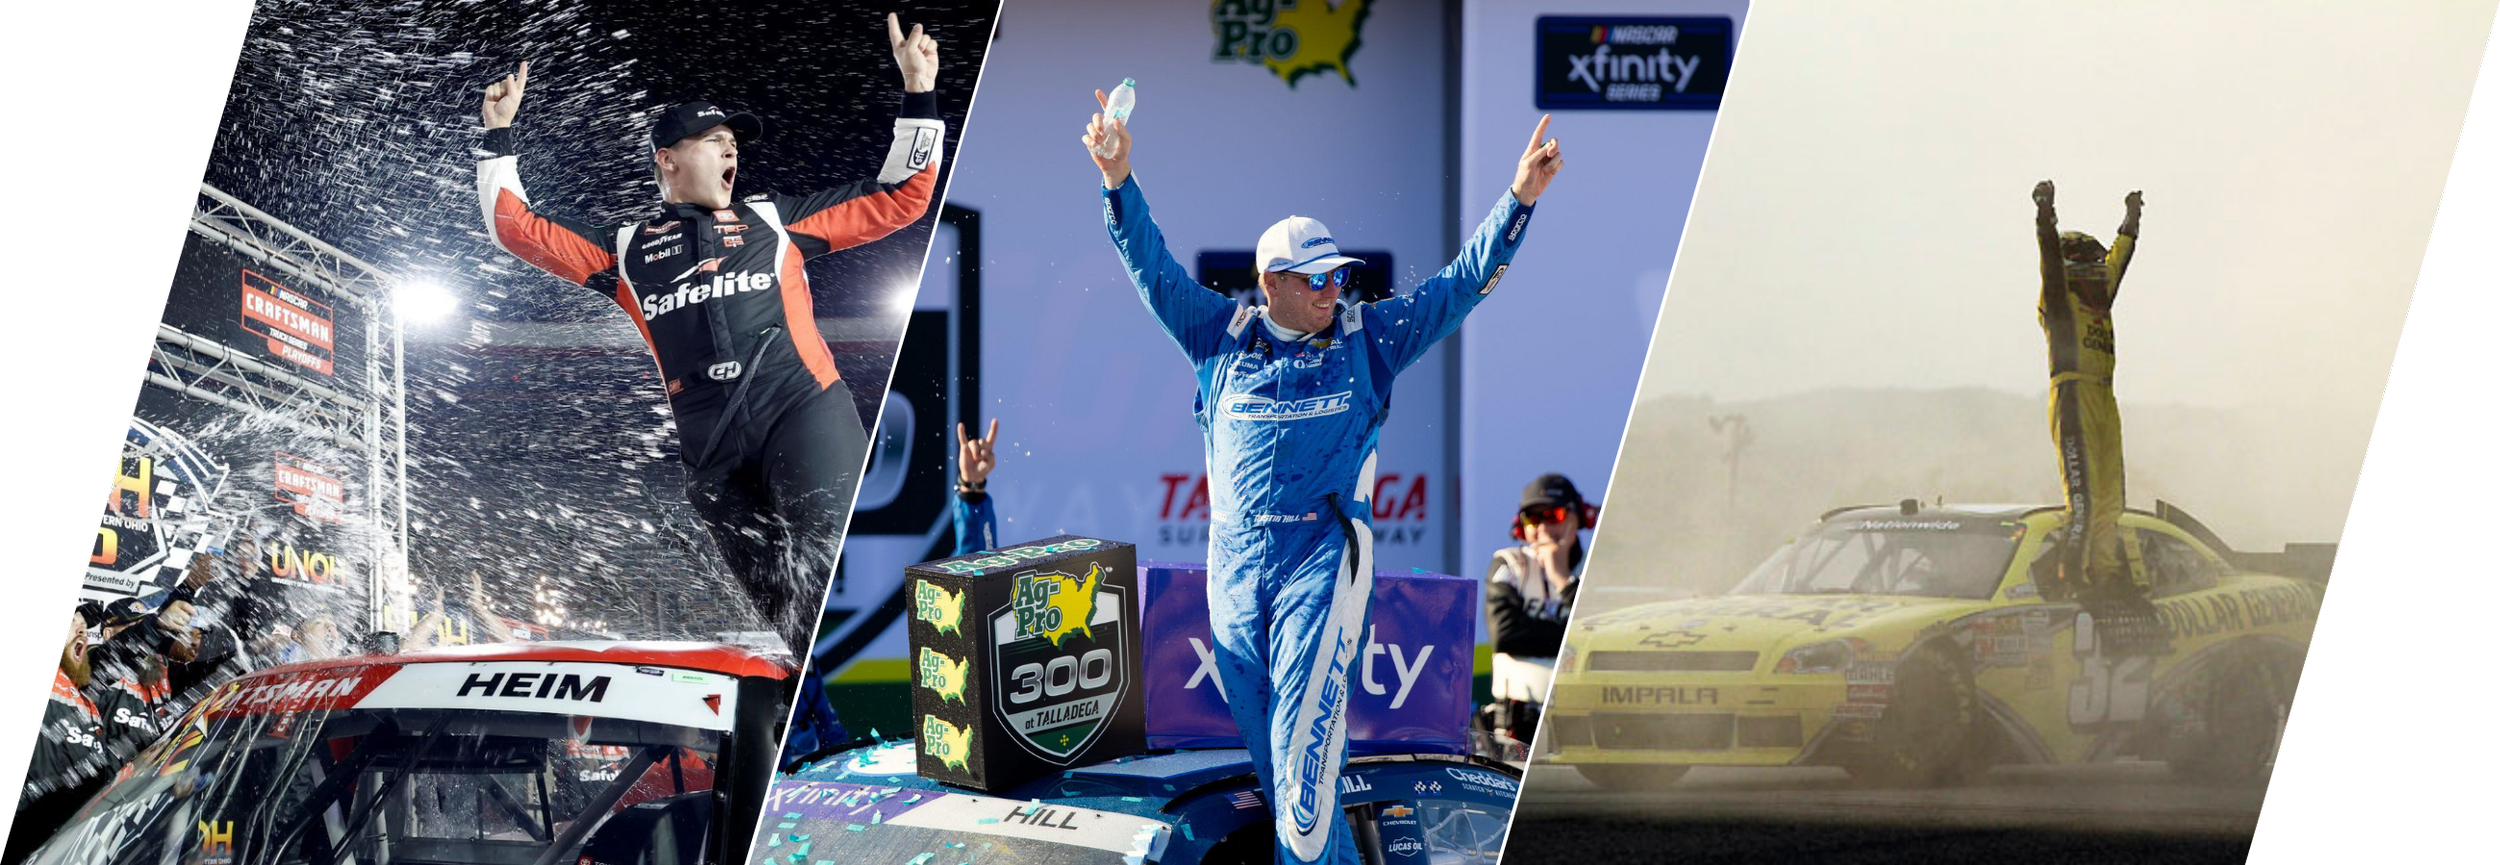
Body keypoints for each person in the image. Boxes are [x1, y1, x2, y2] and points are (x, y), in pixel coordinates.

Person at [1084, 98, 1563, 865]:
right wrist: (1118, 179)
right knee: (1286, 785)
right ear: (1269, 282)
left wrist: (1519, 202)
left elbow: (1459, 286)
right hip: (1232, 569)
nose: (1332, 289)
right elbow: (1151, 267)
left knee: (1301, 790)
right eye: (1315, 279)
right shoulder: (1218, 334)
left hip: (1322, 560)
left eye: (1339, 275)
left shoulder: (1370, 339)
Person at [476, 13, 947, 656]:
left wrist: (918, 91)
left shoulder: (773, 222)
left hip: (802, 412)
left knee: (837, 573)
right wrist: (498, 136)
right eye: (713, 141)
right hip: (711, 453)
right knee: (788, 617)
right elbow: (516, 227)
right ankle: (811, 708)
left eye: (733, 143)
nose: (732, 152)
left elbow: (903, 196)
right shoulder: (626, 250)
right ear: (667, 160)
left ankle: (904, 676)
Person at [2032, 179, 2166, 653]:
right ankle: (2072, 577)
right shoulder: (2060, 301)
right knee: (2084, 500)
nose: (2096, 271)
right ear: (2072, 268)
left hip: (2105, 398)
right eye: (2087, 264)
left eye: (2097, 263)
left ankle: (2106, 576)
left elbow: (2118, 263)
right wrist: (2045, 216)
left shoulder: (2098, 298)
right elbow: (2049, 262)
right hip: (2072, 395)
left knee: (2112, 499)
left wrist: (2131, 221)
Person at [1483, 474, 1591, 750]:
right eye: (1532, 518)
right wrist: (1570, 638)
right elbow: (1505, 635)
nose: (1542, 528)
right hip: (1515, 727)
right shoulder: (1508, 563)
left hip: (1582, 721)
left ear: (1576, 518)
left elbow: (1598, 637)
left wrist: (1562, 579)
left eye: (1553, 515)